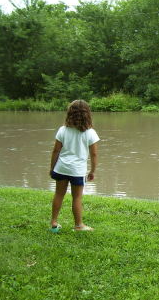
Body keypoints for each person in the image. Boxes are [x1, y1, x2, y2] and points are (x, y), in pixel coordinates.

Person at [49, 99, 100, 232]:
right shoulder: (90, 133)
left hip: (61, 168)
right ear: (87, 114)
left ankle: (54, 222)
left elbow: (56, 150)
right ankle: (78, 225)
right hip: (77, 171)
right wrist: (93, 171)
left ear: (70, 113)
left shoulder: (63, 130)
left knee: (59, 194)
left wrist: (52, 167)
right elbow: (94, 154)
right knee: (77, 197)